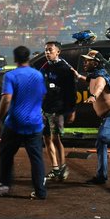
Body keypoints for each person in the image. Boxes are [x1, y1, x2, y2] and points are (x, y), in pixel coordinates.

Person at [0, 46, 47, 199]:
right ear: (28, 58)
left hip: (15, 123)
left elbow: (6, 99)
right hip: (35, 123)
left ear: (15, 59)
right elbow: (42, 95)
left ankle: (5, 186)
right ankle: (40, 192)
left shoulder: (11, 75)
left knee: (6, 155)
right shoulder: (38, 75)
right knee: (36, 158)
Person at [72, 50, 110, 185]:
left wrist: (93, 96)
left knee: (103, 137)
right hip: (107, 116)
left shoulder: (101, 76)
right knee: (100, 144)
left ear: (95, 63)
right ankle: (101, 176)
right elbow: (88, 80)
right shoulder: (93, 75)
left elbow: (99, 87)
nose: (84, 63)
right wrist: (78, 76)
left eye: (87, 61)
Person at [39, 41, 76, 182]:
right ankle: (55, 169)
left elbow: (71, 91)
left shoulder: (65, 68)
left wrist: (72, 110)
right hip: (46, 108)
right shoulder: (45, 67)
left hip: (57, 109)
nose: (47, 53)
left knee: (56, 138)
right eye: (46, 50)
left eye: (50, 50)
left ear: (58, 52)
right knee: (47, 139)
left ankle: (63, 167)